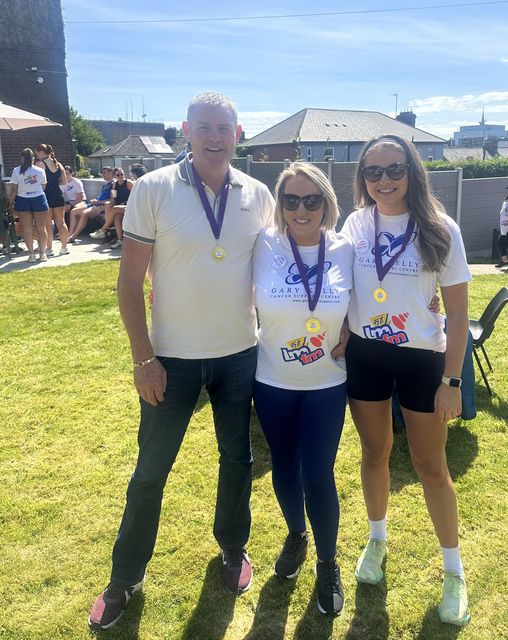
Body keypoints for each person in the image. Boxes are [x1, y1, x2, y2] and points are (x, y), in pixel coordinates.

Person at [88, 92, 274, 631]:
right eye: (205, 127)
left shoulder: (257, 194)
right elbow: (128, 282)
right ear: (186, 133)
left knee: (237, 462)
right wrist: (142, 356)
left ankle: (233, 549)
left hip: (239, 355)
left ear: (238, 134)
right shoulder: (153, 188)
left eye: (225, 128)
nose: (216, 137)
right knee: (150, 473)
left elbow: (289, 262)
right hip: (170, 359)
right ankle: (125, 577)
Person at [341, 134, 472, 627]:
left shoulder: (440, 227)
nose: (384, 181)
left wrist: (452, 382)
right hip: (366, 355)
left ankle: (454, 571)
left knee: (429, 465)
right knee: (373, 453)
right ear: (363, 178)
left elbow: (457, 316)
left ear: (412, 171)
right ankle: (377, 539)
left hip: (421, 361)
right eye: (373, 172)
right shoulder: (355, 223)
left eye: (394, 169)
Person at [253, 162, 352, 616]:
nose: (300, 209)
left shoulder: (346, 248)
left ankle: (328, 563)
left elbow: (374, 295)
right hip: (272, 379)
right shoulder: (263, 243)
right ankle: (296, 535)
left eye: (311, 200)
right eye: (290, 200)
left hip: (326, 382)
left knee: (318, 472)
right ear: (281, 204)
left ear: (326, 203)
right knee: (284, 467)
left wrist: (351, 324)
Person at [7, 148, 49, 262]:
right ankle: (42, 253)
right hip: (39, 198)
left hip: (22, 199)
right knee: (41, 228)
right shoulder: (40, 171)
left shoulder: (16, 170)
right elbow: (43, 187)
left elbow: (13, 190)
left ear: (22, 158)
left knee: (27, 229)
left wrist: (9, 204)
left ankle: (31, 254)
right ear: (33, 158)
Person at [35, 143, 69, 256]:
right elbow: (64, 182)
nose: (36, 155)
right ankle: (64, 247)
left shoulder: (39, 164)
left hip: (46, 196)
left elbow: (37, 182)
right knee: (61, 222)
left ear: (42, 152)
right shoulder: (59, 164)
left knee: (48, 224)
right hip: (59, 195)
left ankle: (49, 249)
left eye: (37, 152)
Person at [90, 168, 134, 249]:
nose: (121, 176)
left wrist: (124, 203)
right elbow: (113, 198)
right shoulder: (114, 185)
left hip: (129, 206)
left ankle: (103, 230)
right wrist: (110, 204)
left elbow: (135, 196)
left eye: (122, 174)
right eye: (118, 175)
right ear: (115, 176)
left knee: (115, 209)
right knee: (116, 216)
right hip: (119, 208)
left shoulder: (128, 183)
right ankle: (120, 240)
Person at [68, 166, 113, 242]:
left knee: (84, 213)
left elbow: (111, 200)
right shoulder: (105, 185)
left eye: (105, 173)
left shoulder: (113, 185)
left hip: (101, 206)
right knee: (73, 211)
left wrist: (98, 202)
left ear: (111, 173)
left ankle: (73, 237)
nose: (103, 175)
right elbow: (102, 196)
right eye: (102, 173)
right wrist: (96, 199)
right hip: (95, 203)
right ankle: (70, 233)